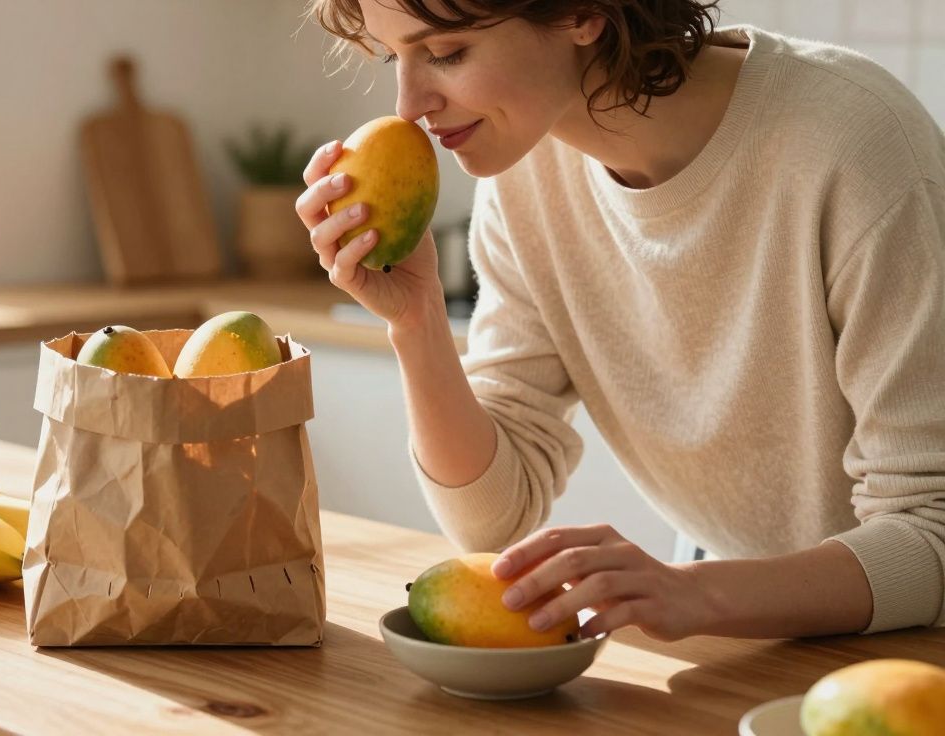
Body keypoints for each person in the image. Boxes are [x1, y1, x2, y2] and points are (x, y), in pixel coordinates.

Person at [297, 0, 945, 642]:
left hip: (906, 645)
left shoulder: (854, 145)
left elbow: (932, 532)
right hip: (747, 632)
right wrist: (417, 320)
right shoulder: (524, 174)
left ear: (581, 12)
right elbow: (493, 517)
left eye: (445, 53)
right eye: (392, 56)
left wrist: (694, 591)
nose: (408, 105)